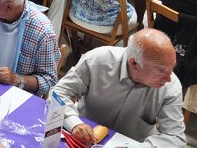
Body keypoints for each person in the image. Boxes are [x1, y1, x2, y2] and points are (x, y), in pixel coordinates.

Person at [50, 29, 185, 146]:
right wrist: (74, 123)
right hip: (84, 136)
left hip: (134, 143)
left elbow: (175, 138)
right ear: (134, 63)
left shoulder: (170, 87)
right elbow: (58, 93)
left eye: (171, 68)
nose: (168, 78)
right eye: (160, 71)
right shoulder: (97, 61)